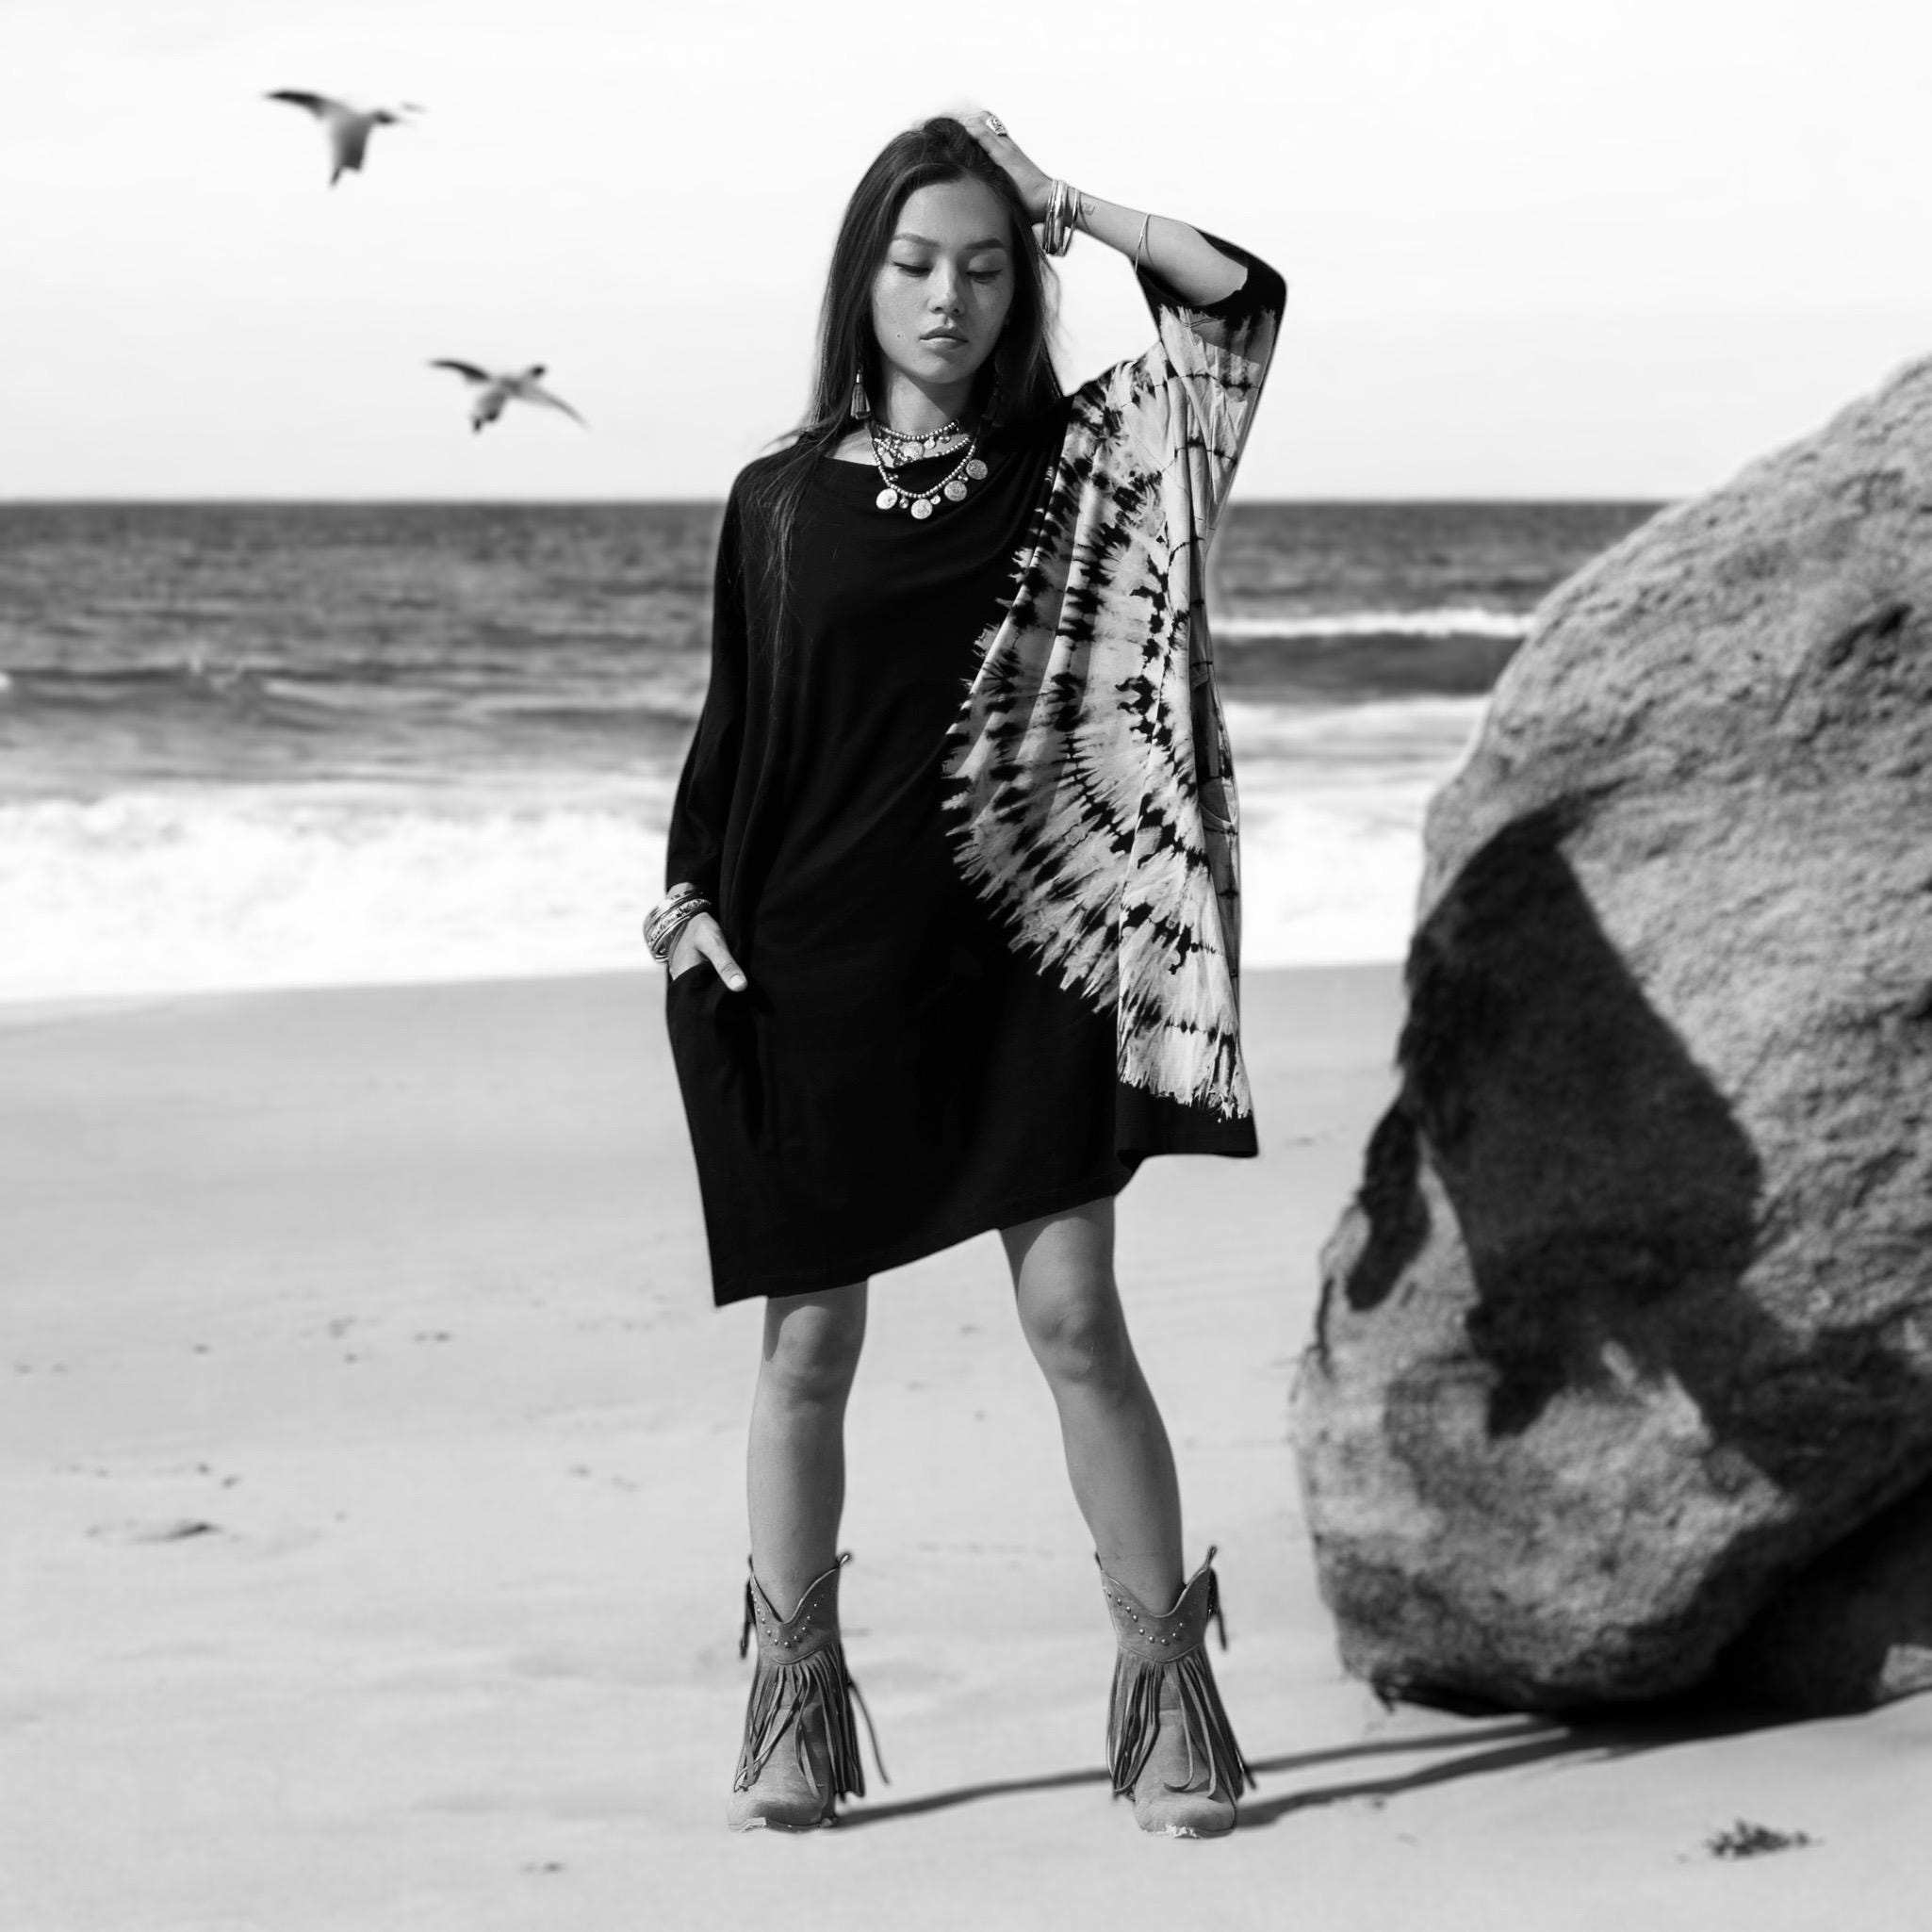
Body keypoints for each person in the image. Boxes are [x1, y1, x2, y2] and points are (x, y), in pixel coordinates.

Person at [648, 110, 1285, 1837]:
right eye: (917, 262)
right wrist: (686, 895)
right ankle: (792, 1710)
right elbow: (736, 729)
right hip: (819, 963)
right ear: (860, 278)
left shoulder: (1081, 463)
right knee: (807, 1347)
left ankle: (1168, 1699)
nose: (950, 297)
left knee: (1075, 1320)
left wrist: (1066, 198)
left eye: (988, 267)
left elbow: (1233, 304)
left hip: (1024, 961)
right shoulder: (778, 499)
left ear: (1023, 287)